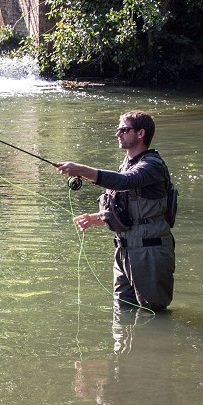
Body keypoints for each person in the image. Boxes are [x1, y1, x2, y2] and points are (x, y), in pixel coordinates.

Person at [55, 111, 175, 311]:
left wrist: (81, 170)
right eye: (118, 129)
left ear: (140, 133)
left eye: (124, 129)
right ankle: (123, 344)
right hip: (124, 250)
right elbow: (127, 207)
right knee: (123, 311)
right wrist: (96, 218)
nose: (118, 134)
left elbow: (125, 182)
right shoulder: (126, 165)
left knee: (153, 313)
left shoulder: (152, 165)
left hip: (150, 250)